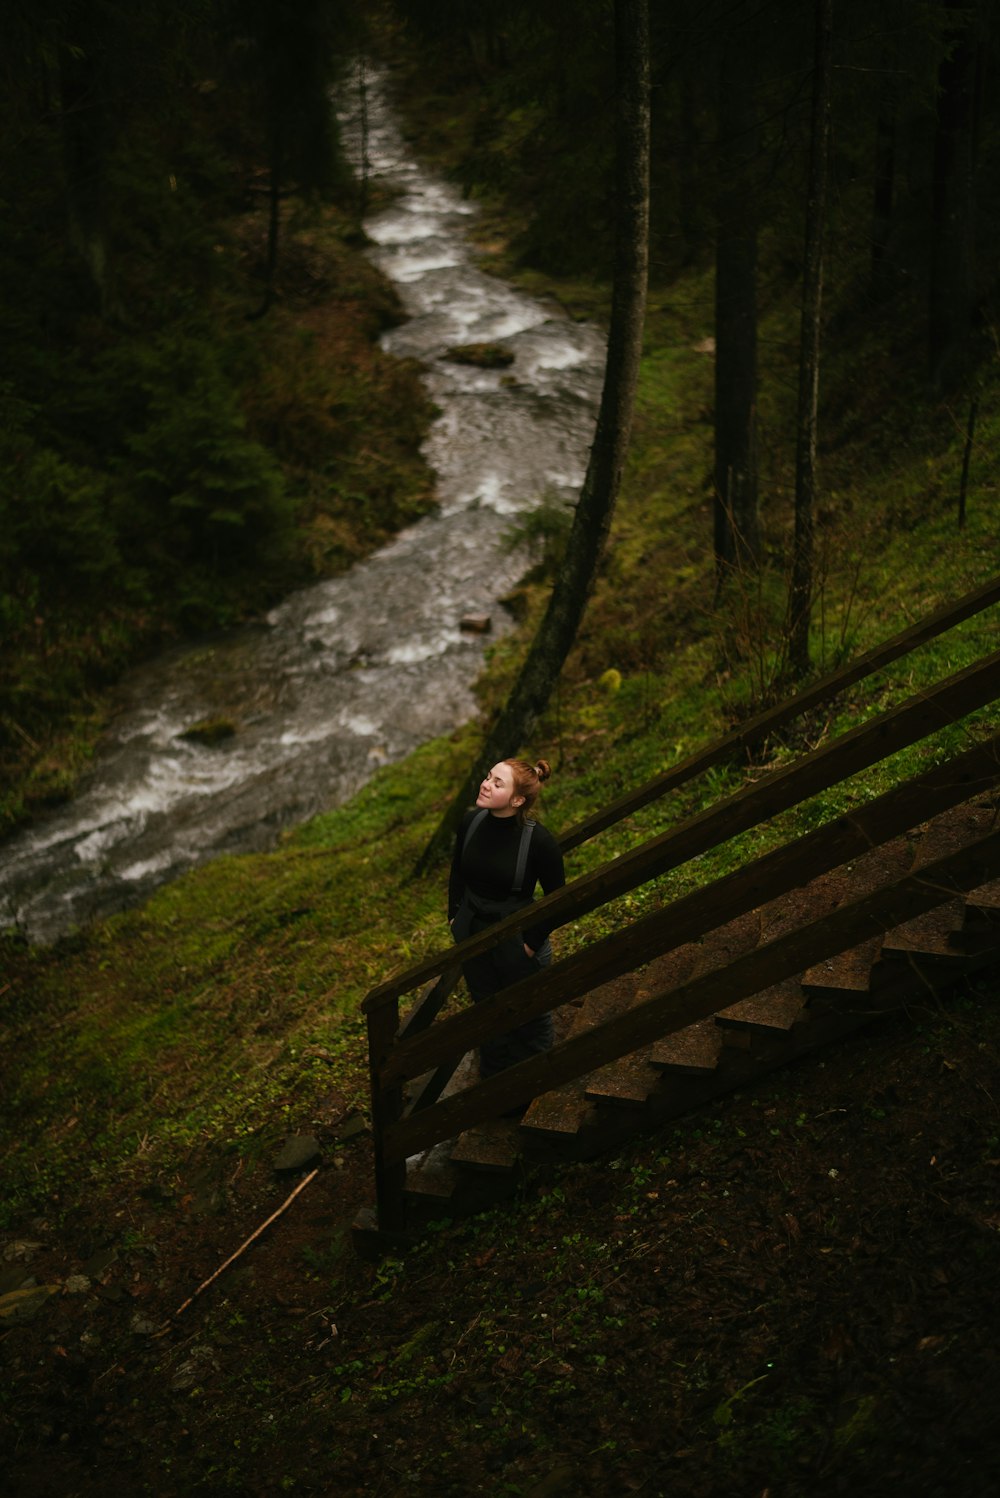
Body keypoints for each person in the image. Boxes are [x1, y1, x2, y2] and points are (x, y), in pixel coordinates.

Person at [448, 757, 566, 1079]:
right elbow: (458, 872)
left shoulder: (538, 841)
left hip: (516, 938)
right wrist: (453, 916)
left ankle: (535, 1083)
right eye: (488, 777)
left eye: (498, 783)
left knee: (529, 1012)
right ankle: (494, 1082)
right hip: (473, 931)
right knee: (487, 1008)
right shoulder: (470, 822)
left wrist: (531, 942)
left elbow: (559, 898)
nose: (486, 784)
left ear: (517, 800)